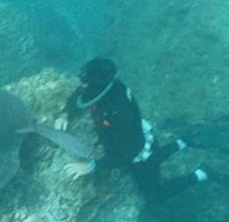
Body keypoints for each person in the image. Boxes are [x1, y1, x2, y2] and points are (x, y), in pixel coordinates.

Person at [55, 57, 208, 202]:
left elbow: (125, 155)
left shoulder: (118, 111)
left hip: (137, 152)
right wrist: (65, 113)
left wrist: (92, 166)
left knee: (154, 196)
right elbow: (80, 94)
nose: (81, 82)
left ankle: (202, 174)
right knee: (153, 160)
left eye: (85, 80)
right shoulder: (105, 86)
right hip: (136, 140)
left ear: (96, 84)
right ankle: (184, 142)